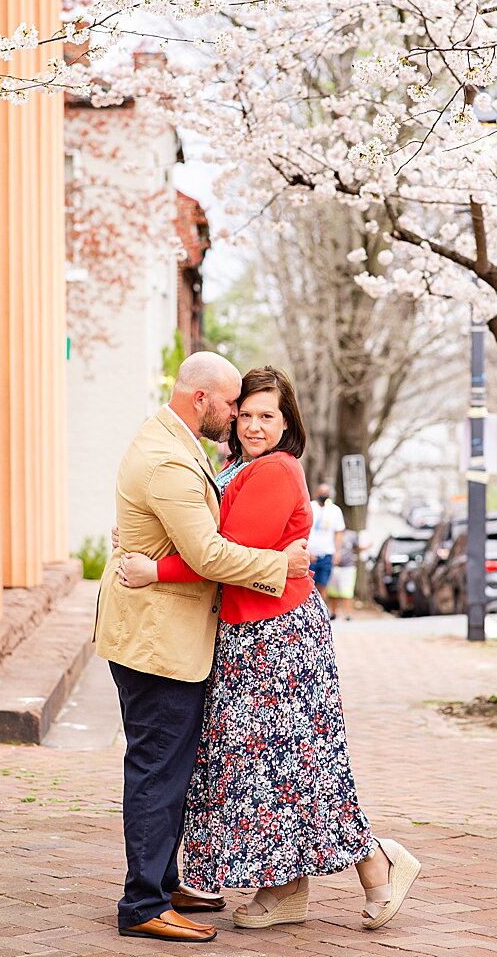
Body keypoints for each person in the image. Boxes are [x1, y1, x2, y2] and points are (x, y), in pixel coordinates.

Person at [117, 366, 420, 932]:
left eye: (267, 416)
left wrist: (152, 568)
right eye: (247, 413)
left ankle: (378, 863)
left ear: (288, 422)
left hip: (278, 639)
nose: (253, 425)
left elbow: (221, 554)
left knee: (299, 770)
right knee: (269, 772)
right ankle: (283, 890)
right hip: (249, 633)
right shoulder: (238, 466)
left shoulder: (276, 472)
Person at [94, 352, 313, 943]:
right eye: (233, 407)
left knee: (170, 765)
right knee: (157, 768)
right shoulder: (170, 458)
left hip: (168, 635)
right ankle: (143, 903)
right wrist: (280, 563)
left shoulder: (178, 443)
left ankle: (163, 882)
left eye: (257, 411)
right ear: (203, 401)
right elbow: (209, 554)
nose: (240, 418)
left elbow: (196, 528)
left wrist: (142, 543)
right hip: (158, 641)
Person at [309, 482, 346, 596]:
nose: (323, 494)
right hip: (310, 553)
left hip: (327, 554)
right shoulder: (309, 507)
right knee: (309, 585)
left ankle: (322, 612)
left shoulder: (335, 510)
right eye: (321, 492)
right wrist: (307, 550)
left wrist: (337, 552)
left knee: (323, 585)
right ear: (316, 493)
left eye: (326, 493)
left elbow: (339, 532)